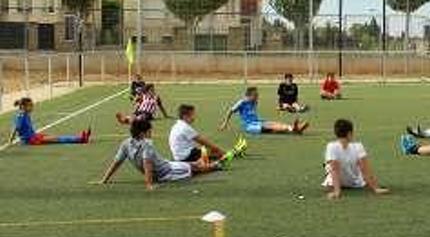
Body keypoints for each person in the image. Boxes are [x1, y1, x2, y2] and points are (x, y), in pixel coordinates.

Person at [97, 119, 232, 191]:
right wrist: (149, 185)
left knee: (192, 165)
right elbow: (147, 165)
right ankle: (216, 165)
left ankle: (209, 163)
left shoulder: (126, 143)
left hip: (166, 164)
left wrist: (105, 180)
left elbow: (117, 162)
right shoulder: (146, 145)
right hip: (166, 172)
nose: (151, 133)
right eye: (150, 131)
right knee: (194, 170)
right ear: (143, 134)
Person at [322, 119, 390, 200]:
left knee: (328, 166)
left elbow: (334, 169)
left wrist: (337, 191)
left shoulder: (331, 146)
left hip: (332, 184)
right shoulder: (358, 146)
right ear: (349, 133)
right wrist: (376, 188)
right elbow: (365, 169)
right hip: (355, 183)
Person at [169, 104, 247, 163]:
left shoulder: (178, 125)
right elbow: (204, 142)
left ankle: (229, 153)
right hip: (185, 157)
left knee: (209, 151)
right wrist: (221, 151)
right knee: (213, 150)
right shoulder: (185, 128)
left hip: (180, 155)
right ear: (185, 116)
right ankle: (232, 154)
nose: (194, 117)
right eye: (192, 115)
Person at [220, 87, 309, 135]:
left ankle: (293, 128)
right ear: (250, 95)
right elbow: (230, 111)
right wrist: (225, 123)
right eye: (255, 95)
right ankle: (293, 129)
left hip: (257, 122)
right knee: (271, 127)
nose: (257, 96)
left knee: (274, 124)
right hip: (249, 126)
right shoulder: (242, 102)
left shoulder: (254, 102)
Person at [7, 97, 91, 146]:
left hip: (34, 136)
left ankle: (80, 138)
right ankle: (81, 139)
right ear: (24, 107)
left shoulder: (25, 114)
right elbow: (15, 128)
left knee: (56, 138)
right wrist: (10, 141)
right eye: (30, 106)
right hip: (31, 140)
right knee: (57, 139)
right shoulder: (21, 116)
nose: (32, 107)